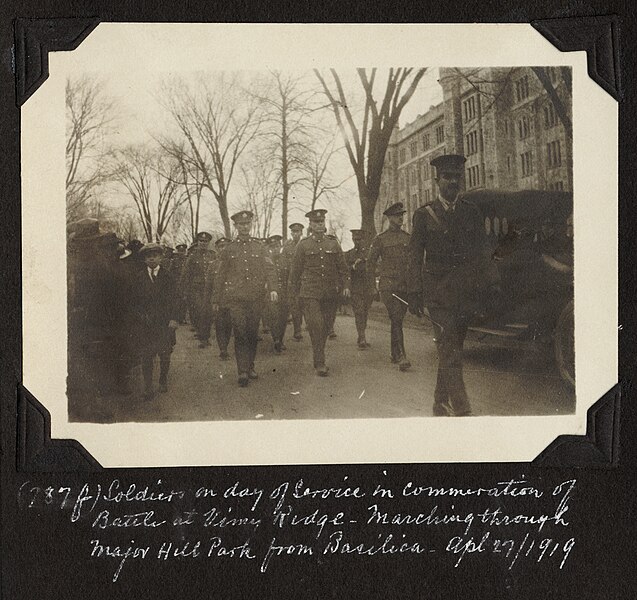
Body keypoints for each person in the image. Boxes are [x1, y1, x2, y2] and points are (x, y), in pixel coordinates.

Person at [406, 154, 499, 417]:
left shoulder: (471, 212)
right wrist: (414, 291)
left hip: (464, 293)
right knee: (449, 350)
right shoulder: (424, 215)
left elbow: (483, 251)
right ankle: (462, 408)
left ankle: (439, 401)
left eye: (457, 177)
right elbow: (414, 255)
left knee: (452, 349)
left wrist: (492, 284)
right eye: (447, 177)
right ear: (437, 181)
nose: (452, 182)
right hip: (437, 295)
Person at [212, 211, 278, 387]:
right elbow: (220, 275)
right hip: (236, 298)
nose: (244, 227)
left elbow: (269, 269)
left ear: (251, 225)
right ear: (236, 227)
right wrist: (216, 299)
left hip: (255, 297)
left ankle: (250, 365)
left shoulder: (260, 247)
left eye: (247, 224)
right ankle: (242, 371)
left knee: (251, 333)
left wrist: (273, 288)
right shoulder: (229, 249)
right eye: (241, 225)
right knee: (240, 332)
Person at [289, 209, 350, 376]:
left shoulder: (333, 244)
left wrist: (345, 285)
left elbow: (343, 269)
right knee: (316, 325)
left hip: (330, 293)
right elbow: (295, 272)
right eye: (316, 223)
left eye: (322, 222)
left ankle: (319, 355)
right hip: (310, 293)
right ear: (310, 225)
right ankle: (320, 361)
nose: (319, 225)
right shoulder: (303, 245)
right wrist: (294, 295)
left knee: (326, 326)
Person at [130, 243, 179, 400]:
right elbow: (132, 301)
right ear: (144, 259)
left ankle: (163, 380)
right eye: (148, 256)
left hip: (164, 323)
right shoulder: (137, 277)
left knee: (165, 353)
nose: (151, 258)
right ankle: (148, 385)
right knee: (146, 355)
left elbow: (177, 300)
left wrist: (174, 318)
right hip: (145, 324)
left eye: (155, 255)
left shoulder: (168, 276)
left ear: (160, 257)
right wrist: (138, 317)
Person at [368, 202, 412, 372]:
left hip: (404, 287)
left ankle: (395, 353)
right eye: (396, 216)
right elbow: (370, 264)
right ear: (389, 218)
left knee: (398, 319)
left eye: (402, 215)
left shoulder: (407, 238)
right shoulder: (380, 239)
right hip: (388, 287)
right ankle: (402, 356)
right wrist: (373, 286)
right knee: (396, 317)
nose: (400, 218)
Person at [180, 231, 216, 348]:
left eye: (205, 241)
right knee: (200, 311)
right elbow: (186, 274)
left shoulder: (212, 255)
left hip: (210, 288)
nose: (203, 243)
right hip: (196, 289)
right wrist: (184, 290)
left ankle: (205, 334)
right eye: (201, 241)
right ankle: (203, 338)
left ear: (208, 242)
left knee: (209, 313)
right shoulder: (192, 256)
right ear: (198, 242)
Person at [344, 228, 376, 349]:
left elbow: (375, 269)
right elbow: (345, 270)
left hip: (367, 287)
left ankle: (361, 334)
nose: (356, 241)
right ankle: (362, 337)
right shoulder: (349, 254)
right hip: (355, 287)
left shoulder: (369, 253)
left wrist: (374, 286)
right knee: (359, 311)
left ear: (363, 239)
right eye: (354, 239)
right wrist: (353, 266)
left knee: (365, 312)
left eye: (359, 239)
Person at [208, 237, 233, 360]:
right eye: (221, 246)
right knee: (220, 324)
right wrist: (211, 301)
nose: (223, 249)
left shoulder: (235, 263)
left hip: (232, 299)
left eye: (226, 246)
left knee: (228, 324)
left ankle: (226, 346)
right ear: (217, 249)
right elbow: (209, 285)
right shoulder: (213, 265)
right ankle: (222, 349)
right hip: (218, 299)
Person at [281, 223, 305, 340]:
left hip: (304, 279)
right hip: (291, 280)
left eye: (298, 232)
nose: (295, 234)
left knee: (303, 304)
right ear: (291, 233)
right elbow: (283, 263)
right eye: (293, 232)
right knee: (294, 304)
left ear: (301, 233)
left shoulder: (305, 244)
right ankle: (297, 330)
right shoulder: (287, 247)